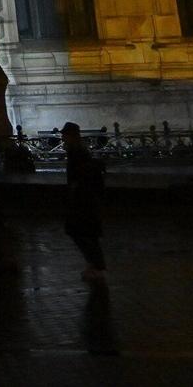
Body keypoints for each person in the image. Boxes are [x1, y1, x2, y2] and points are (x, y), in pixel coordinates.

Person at [61, 122, 106, 286]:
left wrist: (73, 192)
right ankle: (94, 264)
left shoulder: (76, 152)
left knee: (82, 232)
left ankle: (96, 266)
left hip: (83, 198)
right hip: (85, 197)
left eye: (65, 134)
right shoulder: (79, 151)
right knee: (86, 232)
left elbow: (77, 176)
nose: (62, 137)